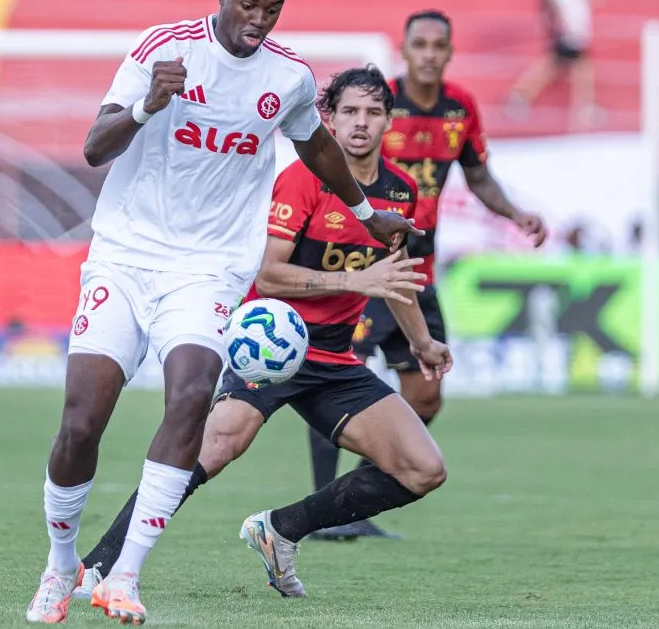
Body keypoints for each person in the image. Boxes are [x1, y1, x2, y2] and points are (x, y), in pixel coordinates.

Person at [23, 0, 420, 625]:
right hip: (124, 255)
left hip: (208, 267)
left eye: (272, 10)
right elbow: (95, 146)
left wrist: (364, 211)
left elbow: (315, 143)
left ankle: (124, 575)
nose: (257, 21)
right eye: (247, 5)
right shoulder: (163, 50)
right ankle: (62, 566)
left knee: (188, 397)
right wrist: (151, 104)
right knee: (82, 421)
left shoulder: (289, 76)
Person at [69, 64, 451, 603]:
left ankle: (281, 529)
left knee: (423, 468)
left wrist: (420, 341)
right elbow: (269, 275)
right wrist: (353, 279)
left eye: (372, 112)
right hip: (269, 350)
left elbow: (396, 278)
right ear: (329, 120)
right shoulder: (301, 178)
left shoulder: (401, 190)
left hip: (335, 360)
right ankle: (99, 565)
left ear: (389, 120)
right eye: (349, 113)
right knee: (215, 447)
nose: (360, 123)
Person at [306, 9, 549, 541]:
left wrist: (514, 214)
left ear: (449, 52)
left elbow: (478, 175)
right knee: (336, 380)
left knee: (427, 397)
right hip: (367, 267)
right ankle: (324, 515)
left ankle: (351, 501)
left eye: (440, 45)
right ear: (406, 48)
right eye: (420, 44)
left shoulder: (460, 108)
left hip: (421, 270)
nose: (430, 54)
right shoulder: (377, 107)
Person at [507, 0, 600, 130]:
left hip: (574, 28)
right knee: (572, 65)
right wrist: (562, 25)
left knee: (564, 65)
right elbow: (556, 0)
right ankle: (585, 106)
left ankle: (521, 96)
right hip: (569, 29)